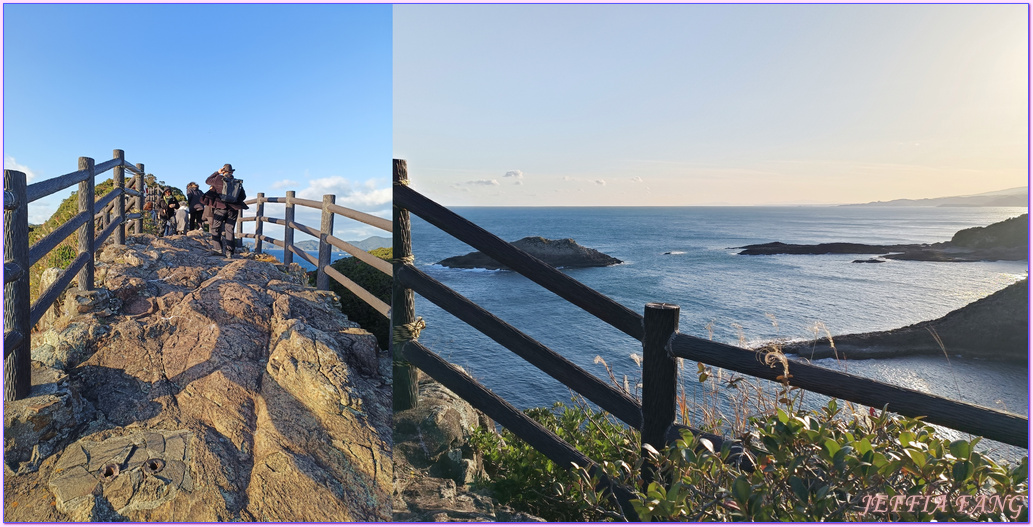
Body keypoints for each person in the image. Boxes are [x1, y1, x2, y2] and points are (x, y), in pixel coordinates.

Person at [203, 164, 248, 258]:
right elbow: (243, 196)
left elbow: (207, 181)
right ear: (232, 172)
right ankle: (229, 252)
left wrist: (217, 173)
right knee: (229, 229)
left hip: (220, 208)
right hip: (233, 209)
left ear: (223, 171)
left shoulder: (218, 179)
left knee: (216, 228)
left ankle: (218, 248)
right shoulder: (237, 182)